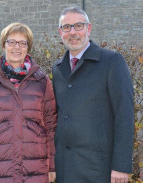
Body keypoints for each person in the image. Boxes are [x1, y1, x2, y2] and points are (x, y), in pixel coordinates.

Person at [52, 7, 134, 183]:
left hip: (99, 169)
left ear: (88, 29)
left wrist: (121, 165)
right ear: (60, 32)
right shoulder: (57, 69)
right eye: (67, 27)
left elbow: (124, 115)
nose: (72, 32)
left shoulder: (112, 62)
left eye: (78, 26)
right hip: (64, 168)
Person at [0, 22, 57, 183]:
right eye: (12, 42)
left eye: (23, 43)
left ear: (28, 47)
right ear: (4, 44)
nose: (17, 47)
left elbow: (51, 127)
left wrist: (52, 167)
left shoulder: (41, 81)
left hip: (35, 169)